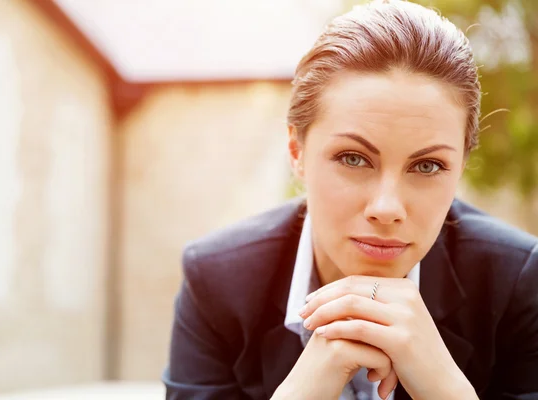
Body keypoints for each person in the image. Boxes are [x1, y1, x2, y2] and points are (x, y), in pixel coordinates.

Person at [162, 0, 538, 399]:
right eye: (353, 158)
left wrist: (444, 386)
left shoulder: (516, 280)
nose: (386, 208)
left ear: (461, 165)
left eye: (427, 166)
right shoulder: (217, 281)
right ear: (296, 151)